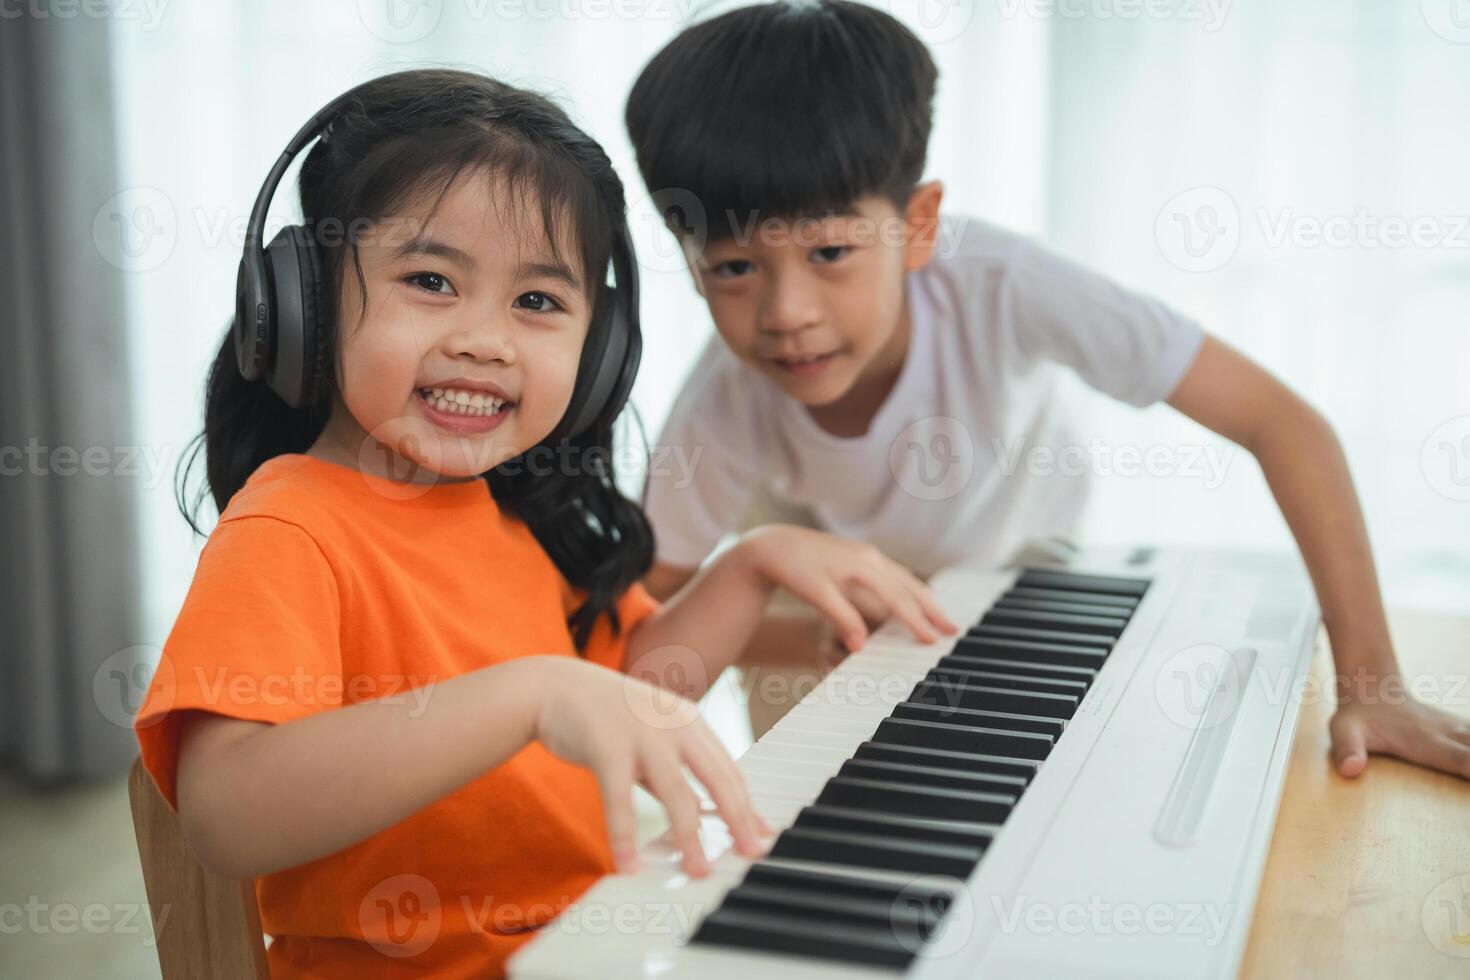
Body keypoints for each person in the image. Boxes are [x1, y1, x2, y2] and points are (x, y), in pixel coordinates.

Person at [133, 68, 955, 979]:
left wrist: (751, 566)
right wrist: (528, 696)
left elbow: (636, 691)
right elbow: (226, 812)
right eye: (432, 279)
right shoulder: (291, 527)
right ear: (304, 302)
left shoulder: (513, 514)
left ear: (596, 355)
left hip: (599, 945)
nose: (487, 339)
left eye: (537, 302)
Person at [627, 1, 1470, 781]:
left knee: (1028, 792)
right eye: (733, 268)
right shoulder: (723, 400)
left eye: (831, 254)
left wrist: (1374, 686)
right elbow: (639, 628)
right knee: (812, 808)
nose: (786, 315)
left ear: (919, 225)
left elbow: (1283, 423)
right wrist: (793, 635)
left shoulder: (1007, 283)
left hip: (1021, 567)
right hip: (813, 586)